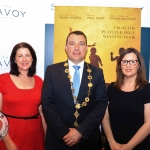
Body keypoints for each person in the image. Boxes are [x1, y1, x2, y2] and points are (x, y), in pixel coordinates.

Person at [42, 30, 108, 150]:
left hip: (88, 140)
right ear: (65, 47)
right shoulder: (52, 71)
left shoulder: (97, 72)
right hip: (59, 140)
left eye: (81, 44)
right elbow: (47, 104)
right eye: (72, 43)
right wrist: (63, 132)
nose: (76, 47)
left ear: (86, 48)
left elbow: (100, 104)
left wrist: (80, 131)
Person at [0, 42, 46, 150]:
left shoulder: (39, 81)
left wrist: (47, 137)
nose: (24, 59)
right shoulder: (2, 80)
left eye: (27, 55)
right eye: (20, 56)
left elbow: (41, 112)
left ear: (32, 58)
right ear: (14, 60)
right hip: (10, 134)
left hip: (35, 136)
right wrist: (7, 141)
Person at [102, 48, 150, 150]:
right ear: (120, 65)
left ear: (139, 65)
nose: (128, 65)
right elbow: (104, 117)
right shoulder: (111, 88)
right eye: (124, 62)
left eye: (132, 61)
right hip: (112, 146)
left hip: (138, 146)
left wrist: (128, 146)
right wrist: (112, 142)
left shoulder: (147, 89)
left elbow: (148, 123)